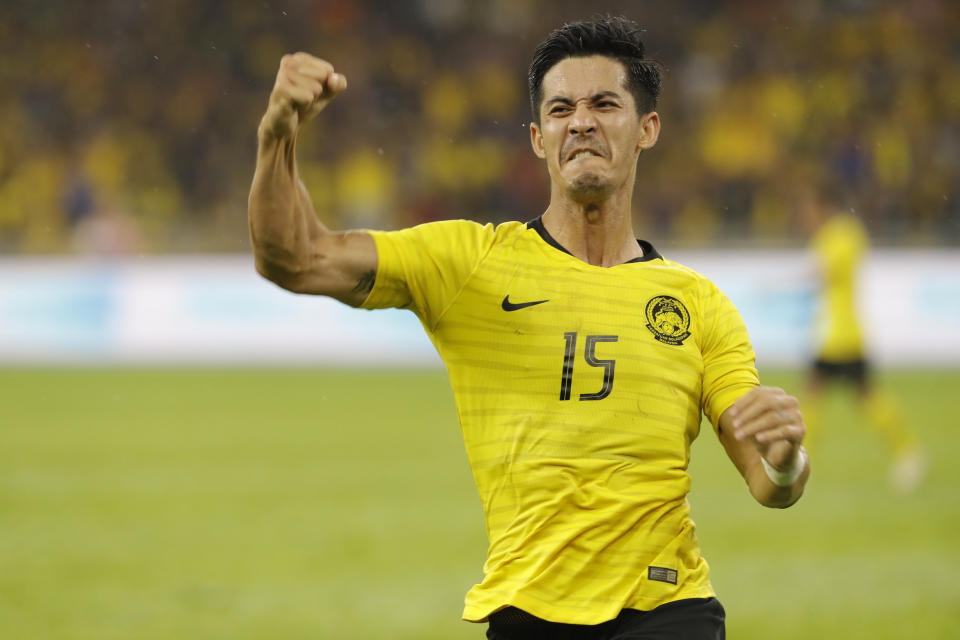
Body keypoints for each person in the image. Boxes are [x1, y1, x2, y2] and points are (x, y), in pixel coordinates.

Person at [248, 16, 809, 639]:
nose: (582, 121)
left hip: (669, 610)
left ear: (647, 128)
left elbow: (768, 483)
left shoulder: (698, 305)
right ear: (540, 138)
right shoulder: (471, 264)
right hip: (529, 614)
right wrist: (278, 136)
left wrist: (786, 457)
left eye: (605, 104)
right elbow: (294, 259)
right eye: (562, 108)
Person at [800, 193, 924, 493]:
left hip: (841, 336)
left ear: (823, 207)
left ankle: (801, 462)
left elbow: (826, 273)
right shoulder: (840, 234)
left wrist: (785, 283)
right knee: (858, 395)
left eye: (810, 211)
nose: (807, 219)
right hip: (841, 333)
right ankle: (907, 451)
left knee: (819, 393)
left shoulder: (841, 235)